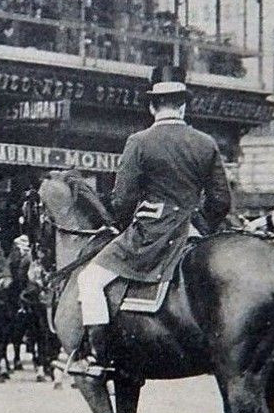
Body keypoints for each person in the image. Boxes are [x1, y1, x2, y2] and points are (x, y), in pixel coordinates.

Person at [69, 68, 232, 378]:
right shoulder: (206, 142)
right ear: (184, 106)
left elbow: (122, 199)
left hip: (151, 233)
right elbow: (221, 201)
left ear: (152, 107)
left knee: (90, 280)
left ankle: (97, 357)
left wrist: (122, 223)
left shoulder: (139, 141)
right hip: (192, 229)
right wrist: (201, 223)